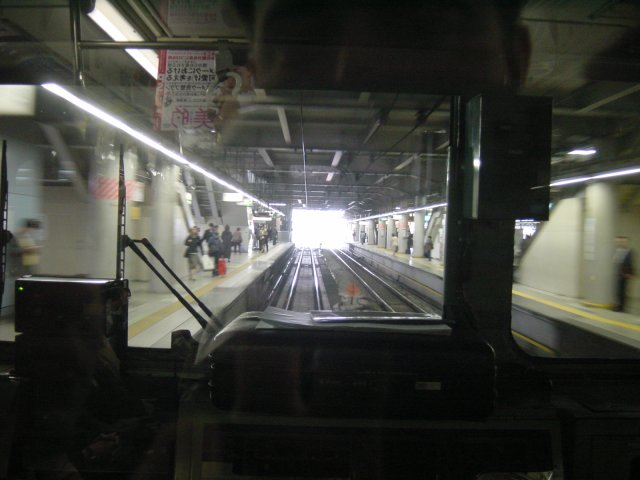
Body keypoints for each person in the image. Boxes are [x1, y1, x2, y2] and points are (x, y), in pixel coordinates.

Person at [614, 236, 634, 312]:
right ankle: (618, 306)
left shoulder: (629, 251)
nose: (621, 243)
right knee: (618, 291)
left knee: (623, 291)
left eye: (623, 241)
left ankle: (622, 307)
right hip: (618, 274)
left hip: (625, 274)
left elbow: (630, 263)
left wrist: (630, 273)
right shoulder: (617, 251)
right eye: (619, 241)